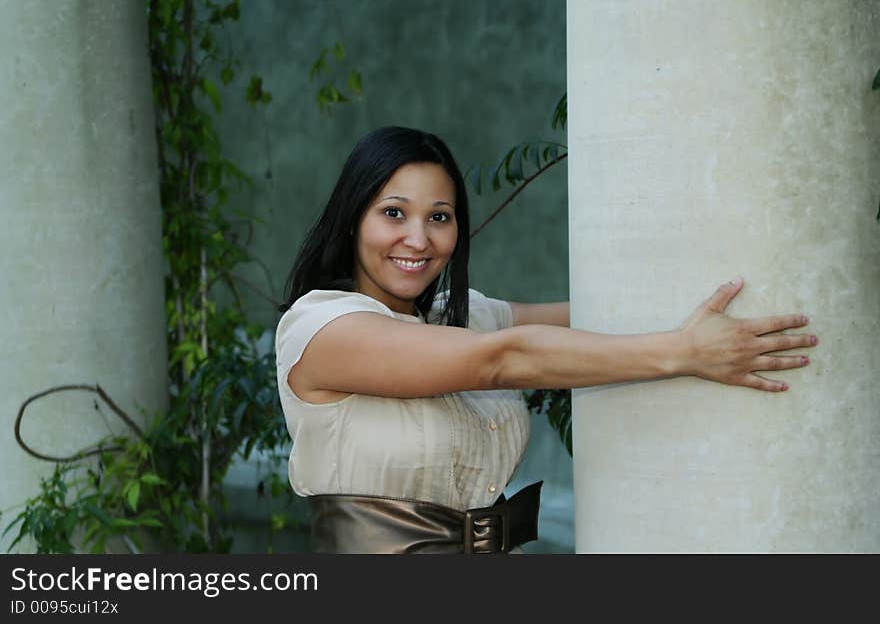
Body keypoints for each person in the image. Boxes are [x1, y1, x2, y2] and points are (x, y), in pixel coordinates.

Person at [274, 126, 817, 554]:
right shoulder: (323, 328)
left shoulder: (463, 317)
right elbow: (503, 360)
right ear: (352, 221)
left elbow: (602, 316)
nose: (418, 238)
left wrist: (746, 284)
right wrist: (685, 353)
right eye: (393, 213)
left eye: (439, 217)